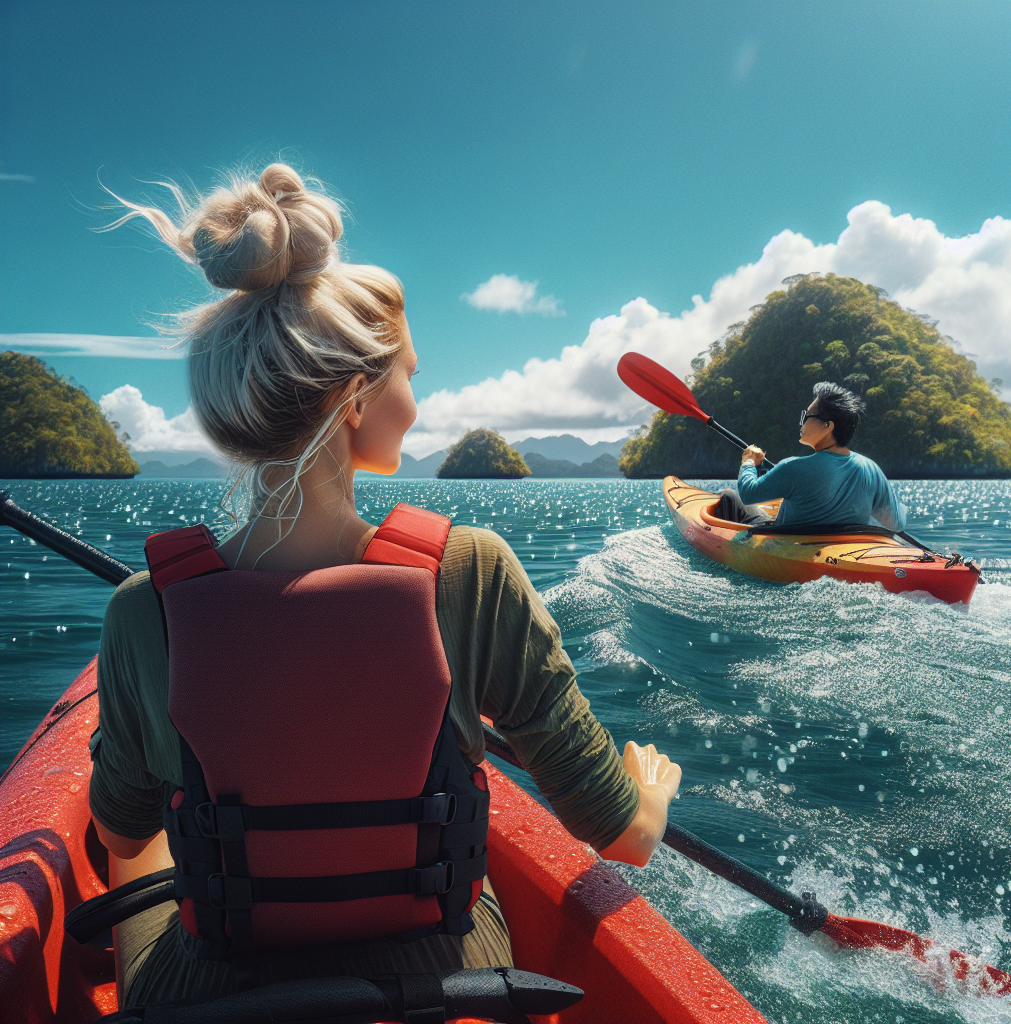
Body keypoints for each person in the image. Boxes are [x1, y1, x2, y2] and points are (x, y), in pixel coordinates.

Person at [88, 163, 682, 1010]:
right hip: (446, 983)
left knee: (134, 858)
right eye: (410, 373)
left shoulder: (143, 610)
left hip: (217, 993)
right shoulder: (471, 572)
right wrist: (652, 797)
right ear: (356, 397)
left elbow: (122, 825)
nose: (417, 398)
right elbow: (619, 835)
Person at [715, 382, 906, 531]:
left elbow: (748, 494)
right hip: (846, 546)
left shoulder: (792, 467)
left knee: (730, 496)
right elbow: (896, 524)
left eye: (807, 416)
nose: (802, 422)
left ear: (827, 426)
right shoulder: (871, 468)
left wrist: (748, 461)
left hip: (792, 543)